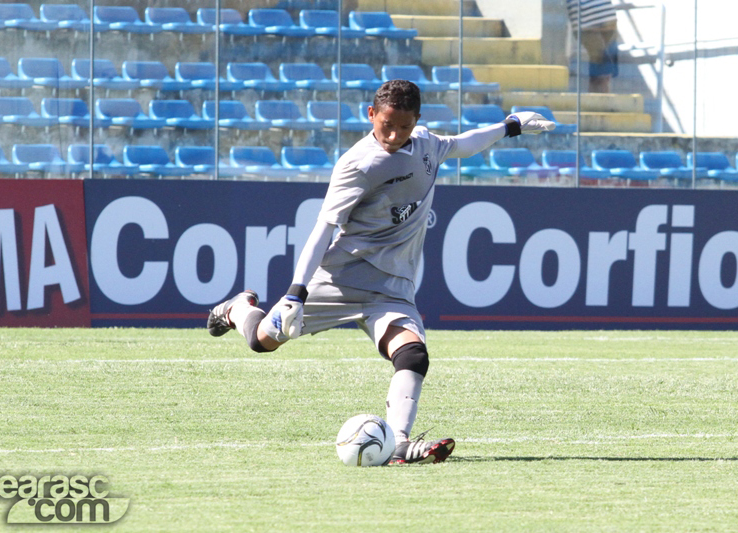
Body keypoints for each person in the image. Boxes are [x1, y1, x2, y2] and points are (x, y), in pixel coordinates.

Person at [208, 80, 554, 465]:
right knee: (262, 341)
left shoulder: (425, 144)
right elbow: (323, 229)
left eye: (404, 126)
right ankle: (238, 308)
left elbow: (463, 144)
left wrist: (510, 126)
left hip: (392, 288)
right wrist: (296, 293)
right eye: (386, 124)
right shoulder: (358, 164)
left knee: (413, 355)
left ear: (416, 121)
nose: (393, 135)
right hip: (342, 278)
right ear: (371, 114)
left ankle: (399, 443)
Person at [566, 0, 619, 93]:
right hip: (586, 22)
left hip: (606, 17)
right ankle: (598, 97)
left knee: (604, 64)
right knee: (600, 62)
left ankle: (600, 97)